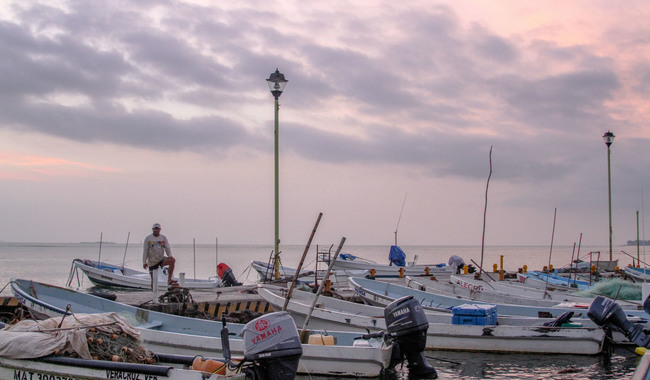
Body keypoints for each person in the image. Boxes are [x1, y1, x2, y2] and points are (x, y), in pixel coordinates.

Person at [143, 223, 176, 288]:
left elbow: (167, 248)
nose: (156, 230)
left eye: (157, 229)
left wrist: (170, 256)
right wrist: (144, 262)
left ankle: (169, 279)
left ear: (160, 230)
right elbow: (145, 251)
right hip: (152, 261)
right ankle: (154, 296)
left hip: (161, 259)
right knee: (153, 281)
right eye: (155, 229)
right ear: (152, 229)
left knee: (172, 260)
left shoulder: (163, 238)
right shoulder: (148, 238)